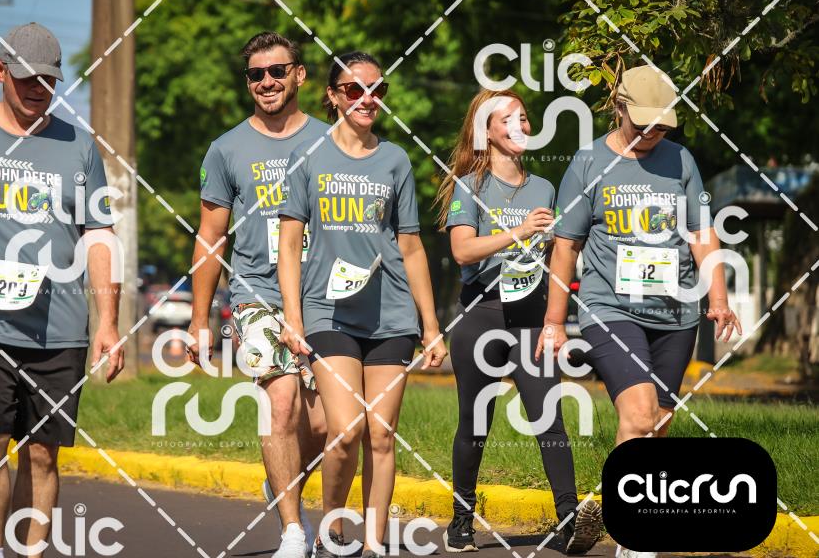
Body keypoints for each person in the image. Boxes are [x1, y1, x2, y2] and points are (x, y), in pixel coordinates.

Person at [0, 22, 123, 558]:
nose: (39, 88)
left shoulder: (79, 146)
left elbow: (99, 236)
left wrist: (107, 322)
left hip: (60, 327)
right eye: (28, 77)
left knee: (42, 453)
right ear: (0, 70)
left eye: (49, 79)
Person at [536, 66, 741, 558]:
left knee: (656, 425)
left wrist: (717, 297)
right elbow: (566, 245)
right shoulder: (588, 162)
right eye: (644, 122)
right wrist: (554, 322)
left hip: (676, 316)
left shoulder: (681, 160)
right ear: (619, 107)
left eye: (662, 125)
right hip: (610, 307)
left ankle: (619, 506)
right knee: (639, 411)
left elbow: (702, 232)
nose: (653, 132)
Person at [277, 51, 447, 558]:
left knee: (381, 434)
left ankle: (373, 542)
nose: (368, 98)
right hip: (327, 310)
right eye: (355, 89)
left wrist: (431, 325)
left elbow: (410, 246)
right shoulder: (307, 156)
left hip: (391, 313)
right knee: (346, 430)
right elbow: (289, 243)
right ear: (333, 96)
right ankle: (332, 527)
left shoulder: (395, 160)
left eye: (377, 89)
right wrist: (293, 317)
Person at [435, 89, 601, 555]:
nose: (519, 127)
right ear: (486, 131)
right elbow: (462, 250)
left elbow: (556, 253)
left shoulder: (544, 188)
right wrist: (519, 231)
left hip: (530, 317)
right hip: (481, 315)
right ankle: (461, 518)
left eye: (524, 118)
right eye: (507, 120)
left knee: (550, 419)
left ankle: (568, 520)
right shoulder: (469, 184)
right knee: (475, 424)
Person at [188, 31, 328, 558]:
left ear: (299, 75)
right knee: (281, 401)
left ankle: (281, 480)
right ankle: (293, 531)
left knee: (326, 422)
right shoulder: (226, 149)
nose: (266, 81)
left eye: (277, 71)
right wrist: (199, 320)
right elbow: (210, 237)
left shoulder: (332, 141)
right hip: (257, 294)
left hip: (322, 296)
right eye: (256, 74)